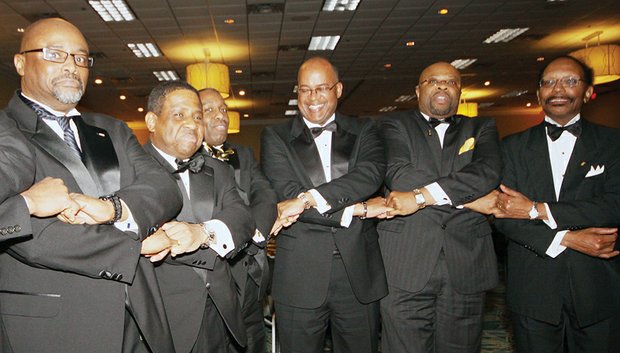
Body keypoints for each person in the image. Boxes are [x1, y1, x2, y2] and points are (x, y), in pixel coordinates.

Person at [0, 18, 182, 353]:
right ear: (20, 62)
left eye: (81, 58)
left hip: (139, 315)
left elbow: (164, 187)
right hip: (55, 324)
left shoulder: (112, 129)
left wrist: (112, 208)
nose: (71, 66)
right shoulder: (6, 130)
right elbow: (29, 235)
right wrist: (133, 247)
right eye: (56, 54)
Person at [260, 56, 389, 353]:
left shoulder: (366, 130)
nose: (313, 97)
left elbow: (368, 176)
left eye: (322, 88)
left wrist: (306, 199)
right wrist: (358, 209)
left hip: (359, 272)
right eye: (305, 89)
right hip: (299, 273)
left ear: (339, 89)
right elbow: (286, 191)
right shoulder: (275, 136)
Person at [493, 56, 620, 353]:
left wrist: (538, 209)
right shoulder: (511, 147)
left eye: (569, 81)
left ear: (588, 92)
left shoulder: (614, 143)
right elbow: (504, 215)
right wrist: (568, 238)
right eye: (548, 82)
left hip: (597, 285)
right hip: (533, 286)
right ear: (538, 94)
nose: (557, 89)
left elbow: (614, 203)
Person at [377, 61, 502, 353]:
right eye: (433, 81)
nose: (442, 86)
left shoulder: (482, 127)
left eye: (451, 82)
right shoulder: (392, 125)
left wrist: (419, 197)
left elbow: (488, 172)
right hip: (405, 265)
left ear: (460, 91)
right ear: (418, 90)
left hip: (467, 265)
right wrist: (471, 197)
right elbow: (399, 174)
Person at [143, 81, 255, 353]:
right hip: (159, 320)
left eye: (197, 117)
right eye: (179, 115)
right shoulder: (128, 169)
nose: (192, 124)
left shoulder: (218, 169)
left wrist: (202, 232)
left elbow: (242, 218)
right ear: (151, 121)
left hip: (219, 312)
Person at [200, 88, 278, 353]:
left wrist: (252, 233)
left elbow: (265, 194)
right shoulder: (183, 158)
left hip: (249, 271)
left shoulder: (242, 153)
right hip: (208, 276)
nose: (220, 115)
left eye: (223, 109)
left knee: (252, 342)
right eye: (209, 109)